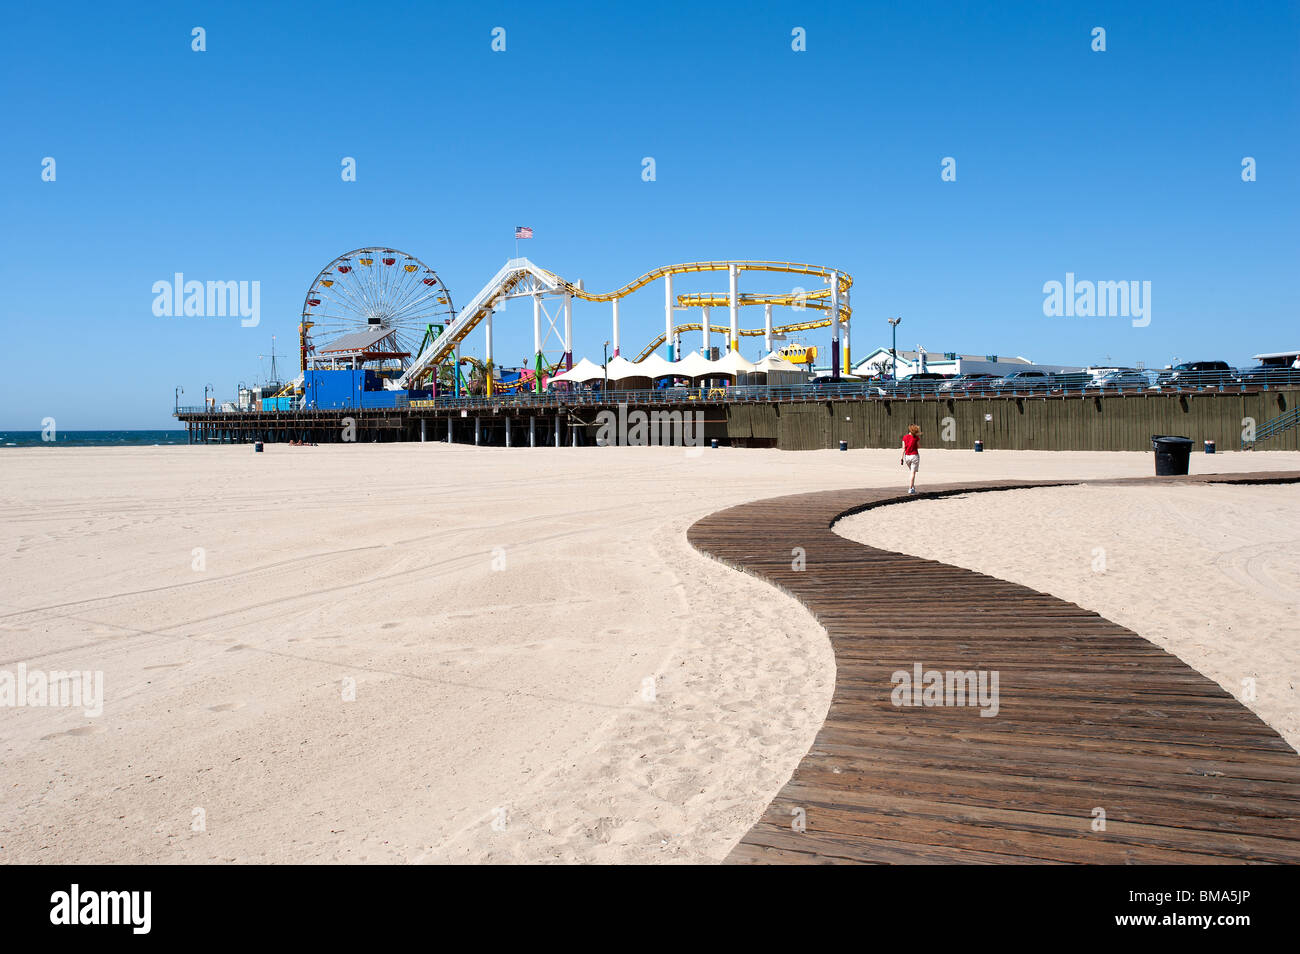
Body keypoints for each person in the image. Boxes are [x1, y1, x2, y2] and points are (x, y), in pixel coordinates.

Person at [900, 424, 921, 493]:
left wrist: (901, 458)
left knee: (912, 472)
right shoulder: (916, 438)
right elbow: (918, 446)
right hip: (914, 456)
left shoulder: (905, 437)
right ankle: (910, 488)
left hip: (907, 457)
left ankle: (913, 486)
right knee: (912, 473)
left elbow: (903, 448)